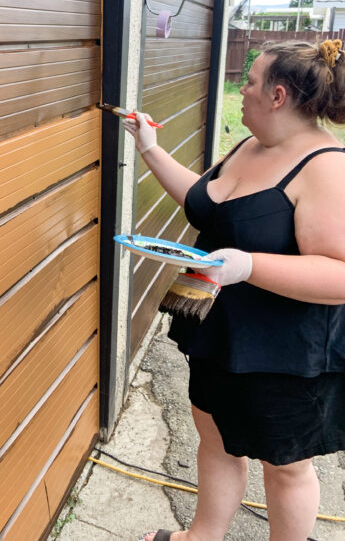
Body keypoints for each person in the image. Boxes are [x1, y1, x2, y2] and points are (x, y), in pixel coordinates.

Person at [124, 39, 345, 541]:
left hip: (285, 352)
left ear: (278, 95)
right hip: (215, 329)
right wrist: (149, 149)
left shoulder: (327, 166)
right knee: (216, 440)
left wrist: (249, 265)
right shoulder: (249, 145)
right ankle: (202, 536)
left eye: (250, 80)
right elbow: (209, 202)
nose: (241, 89)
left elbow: (340, 275)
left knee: (285, 466)